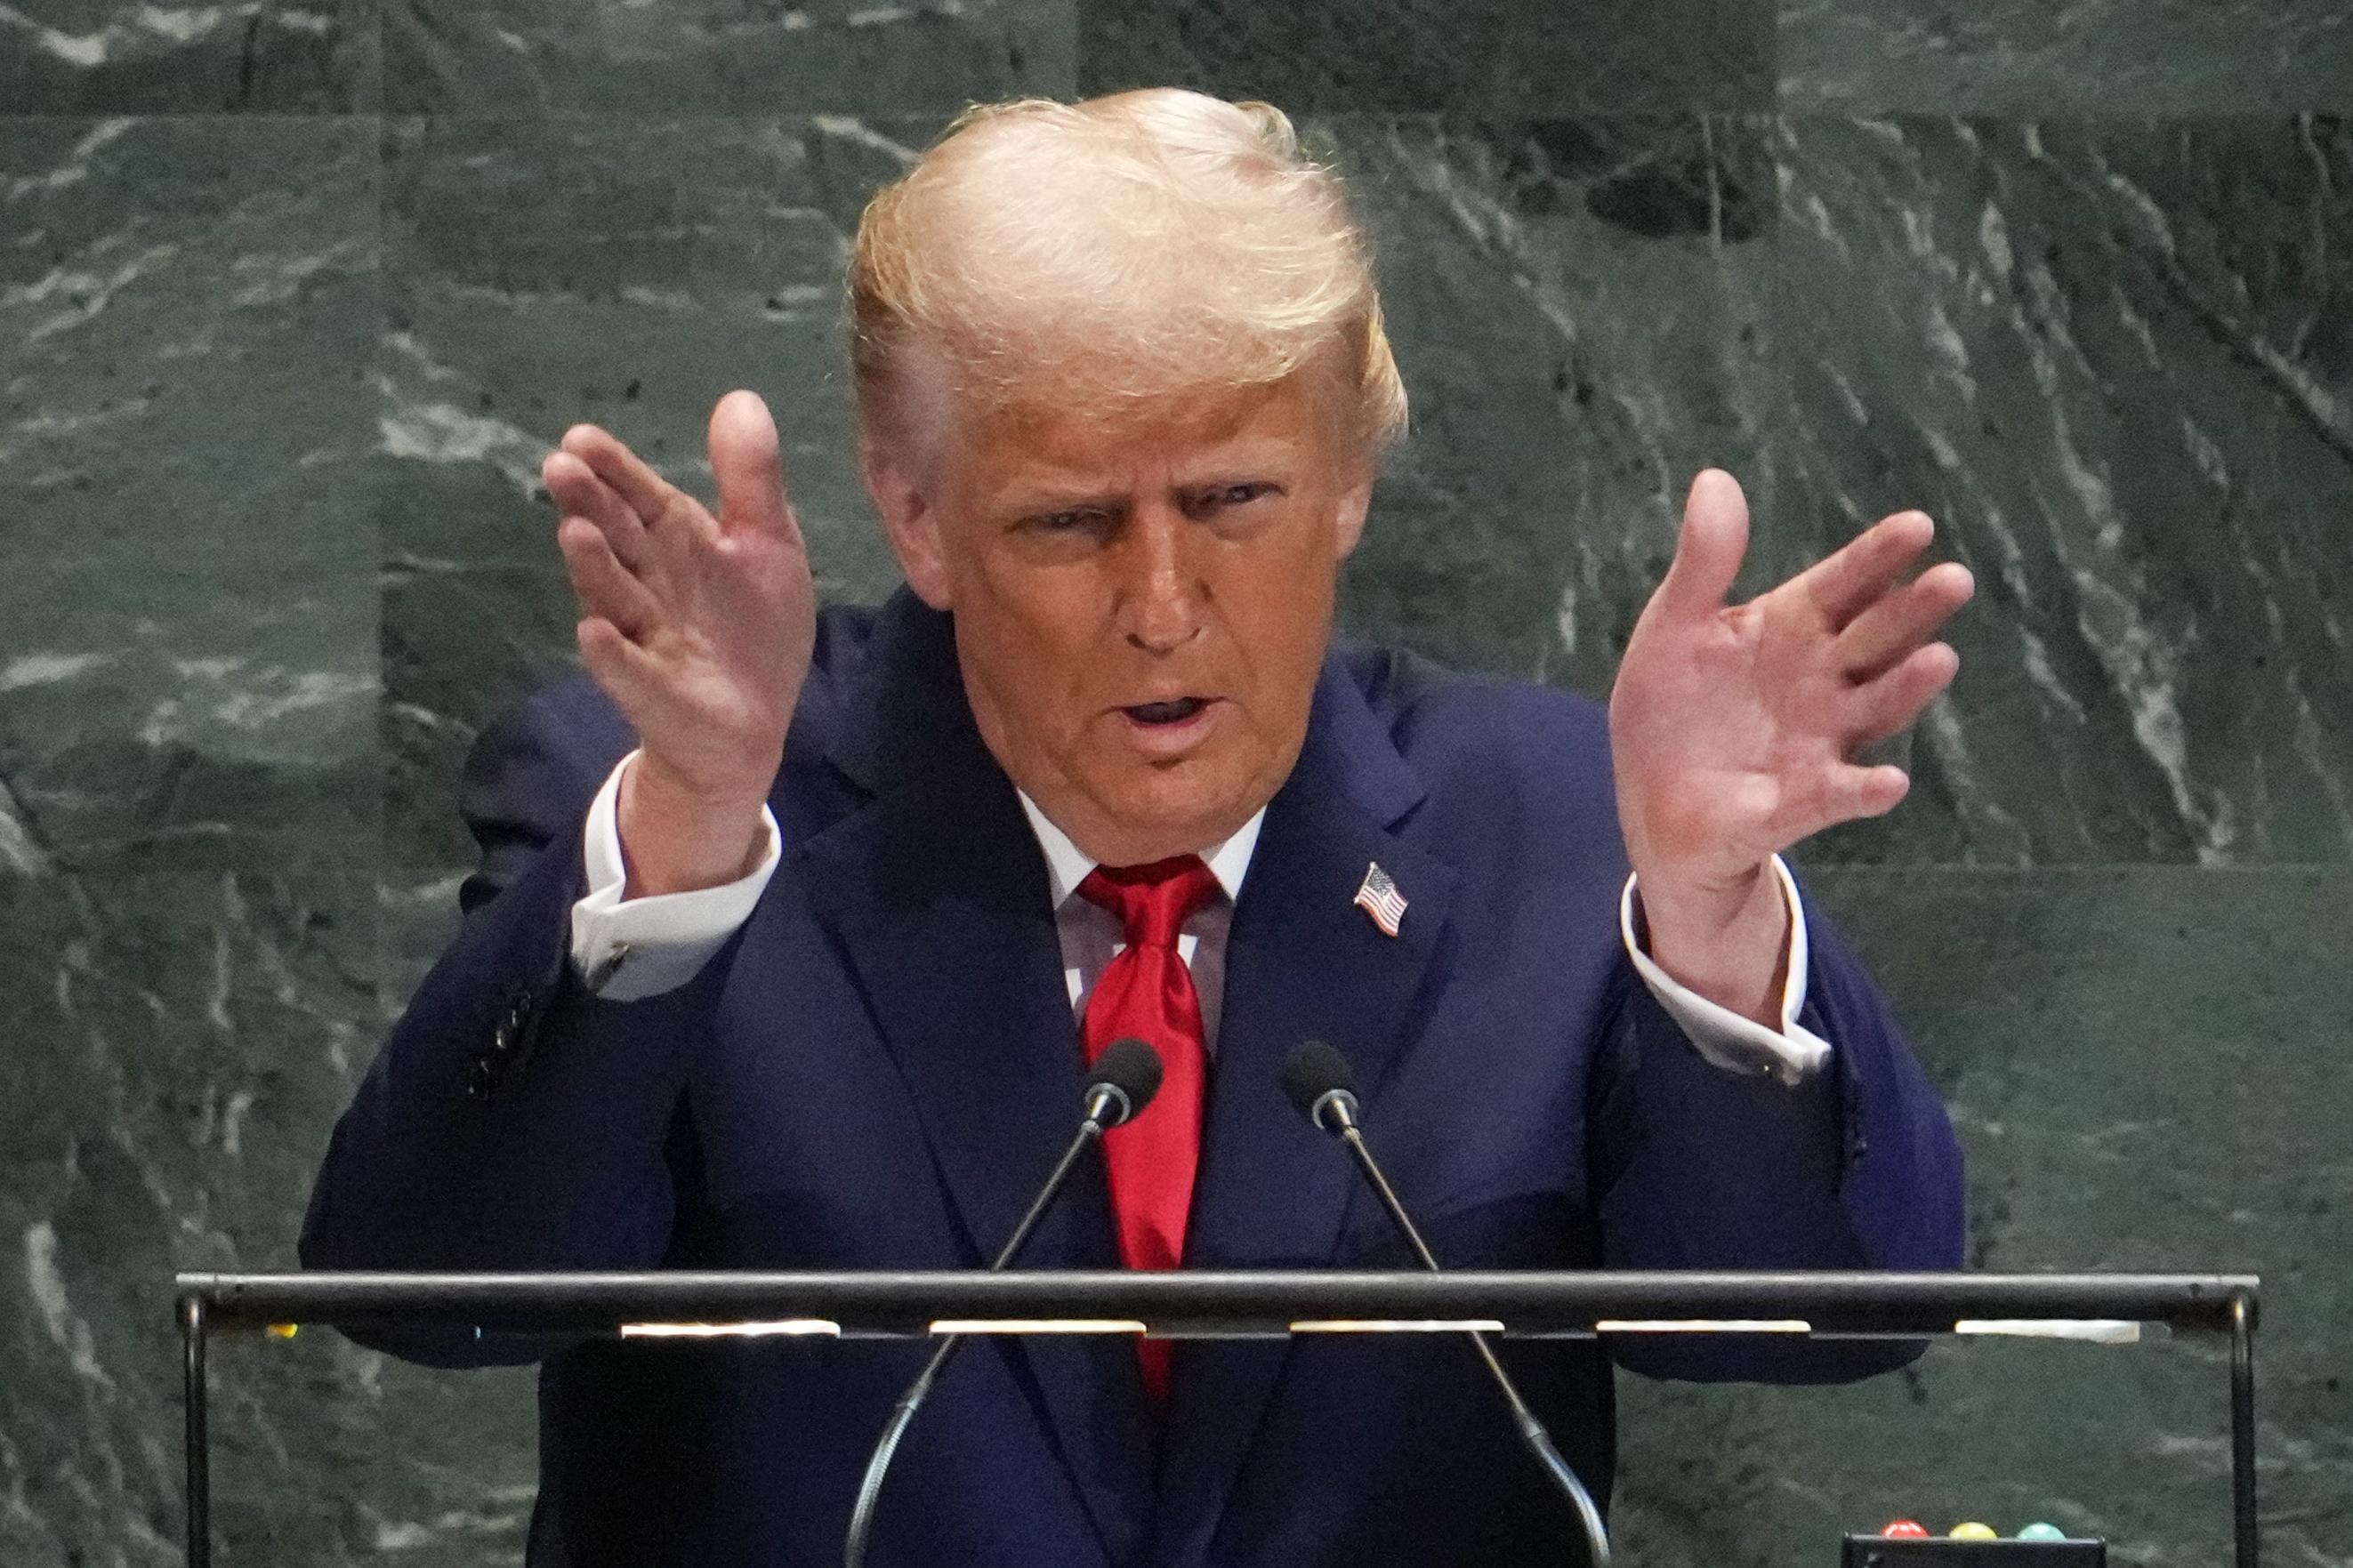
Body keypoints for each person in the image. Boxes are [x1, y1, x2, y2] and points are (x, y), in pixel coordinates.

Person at [302, 90, 1973, 1567]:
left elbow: (1813, 1321)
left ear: (1347, 483)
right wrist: (679, 834)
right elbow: (443, 1289)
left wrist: (1708, 911)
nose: (1162, 606)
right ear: (913, 513)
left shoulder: (1558, 821)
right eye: (1070, 521)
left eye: (1232, 501)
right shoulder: (674, 798)